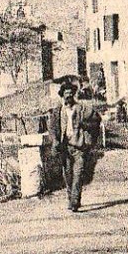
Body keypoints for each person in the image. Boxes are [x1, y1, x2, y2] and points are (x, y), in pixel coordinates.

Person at [55, 82, 102, 212]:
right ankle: (72, 197)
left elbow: (96, 119)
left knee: (78, 174)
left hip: (79, 147)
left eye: (71, 94)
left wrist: (85, 126)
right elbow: (53, 127)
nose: (68, 96)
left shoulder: (82, 108)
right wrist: (56, 141)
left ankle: (75, 201)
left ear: (74, 95)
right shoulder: (59, 110)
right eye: (66, 94)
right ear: (62, 95)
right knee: (68, 175)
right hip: (65, 148)